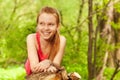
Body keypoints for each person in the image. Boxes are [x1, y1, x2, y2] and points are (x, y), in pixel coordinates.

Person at [24, 6, 66, 76]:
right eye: (42, 24)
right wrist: (50, 65)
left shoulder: (61, 40)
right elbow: (34, 68)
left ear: (58, 26)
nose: (46, 28)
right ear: (37, 25)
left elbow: (57, 65)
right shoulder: (31, 38)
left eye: (51, 24)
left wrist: (49, 62)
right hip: (33, 77)